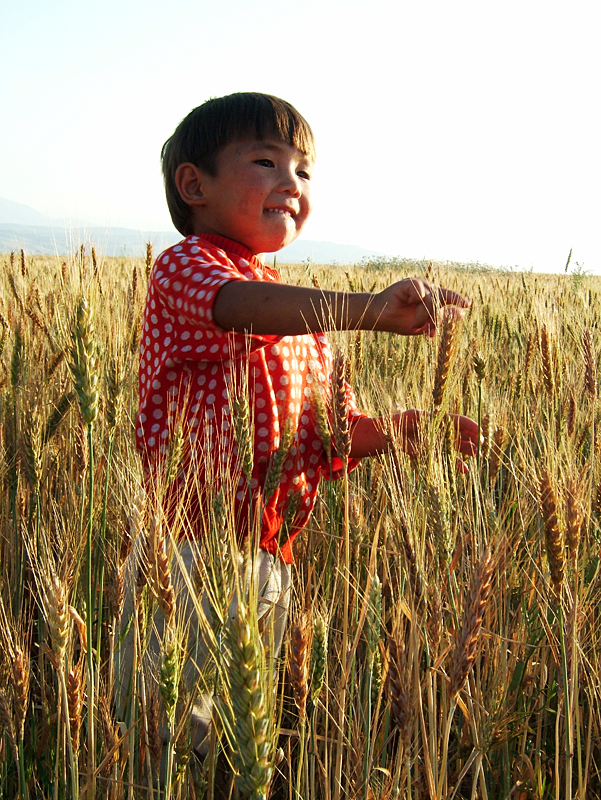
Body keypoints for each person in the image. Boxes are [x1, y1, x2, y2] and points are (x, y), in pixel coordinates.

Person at [132, 91, 479, 755]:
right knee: (169, 735)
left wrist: (407, 433)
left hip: (270, 554)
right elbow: (234, 306)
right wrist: (366, 309)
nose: (291, 182)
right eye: (267, 161)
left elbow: (335, 431)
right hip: (188, 551)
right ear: (193, 185)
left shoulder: (306, 322)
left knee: (246, 735)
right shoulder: (185, 268)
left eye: (305, 171)